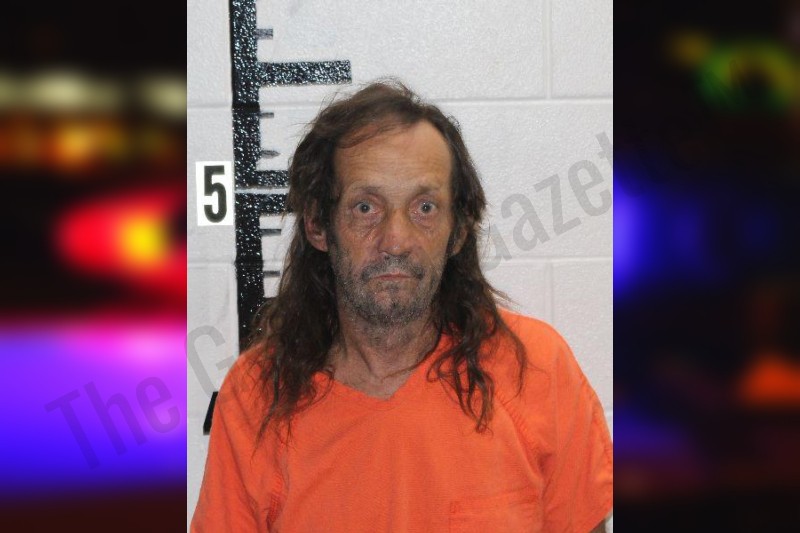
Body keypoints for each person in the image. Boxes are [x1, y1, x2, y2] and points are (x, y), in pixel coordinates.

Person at [191, 79, 613, 532]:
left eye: (424, 208)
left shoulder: (538, 370)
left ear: (458, 231)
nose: (396, 240)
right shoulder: (256, 396)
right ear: (318, 225)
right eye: (365, 208)